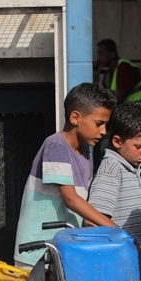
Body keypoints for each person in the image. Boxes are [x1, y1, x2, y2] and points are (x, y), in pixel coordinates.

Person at [13, 83, 116, 268]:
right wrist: (113, 228)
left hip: (62, 252)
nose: (104, 131)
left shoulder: (85, 153)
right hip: (37, 254)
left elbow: (81, 209)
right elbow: (71, 199)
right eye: (99, 123)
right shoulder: (56, 146)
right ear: (75, 117)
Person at [87, 102, 141, 245]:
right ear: (117, 141)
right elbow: (93, 220)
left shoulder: (131, 166)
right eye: (139, 146)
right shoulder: (112, 168)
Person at [95, 39, 141, 104]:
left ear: (112, 54)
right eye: (98, 54)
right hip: (127, 109)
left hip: (137, 110)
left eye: (101, 54)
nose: (98, 58)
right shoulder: (109, 72)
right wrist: (95, 76)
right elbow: (101, 95)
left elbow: (119, 99)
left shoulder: (124, 67)